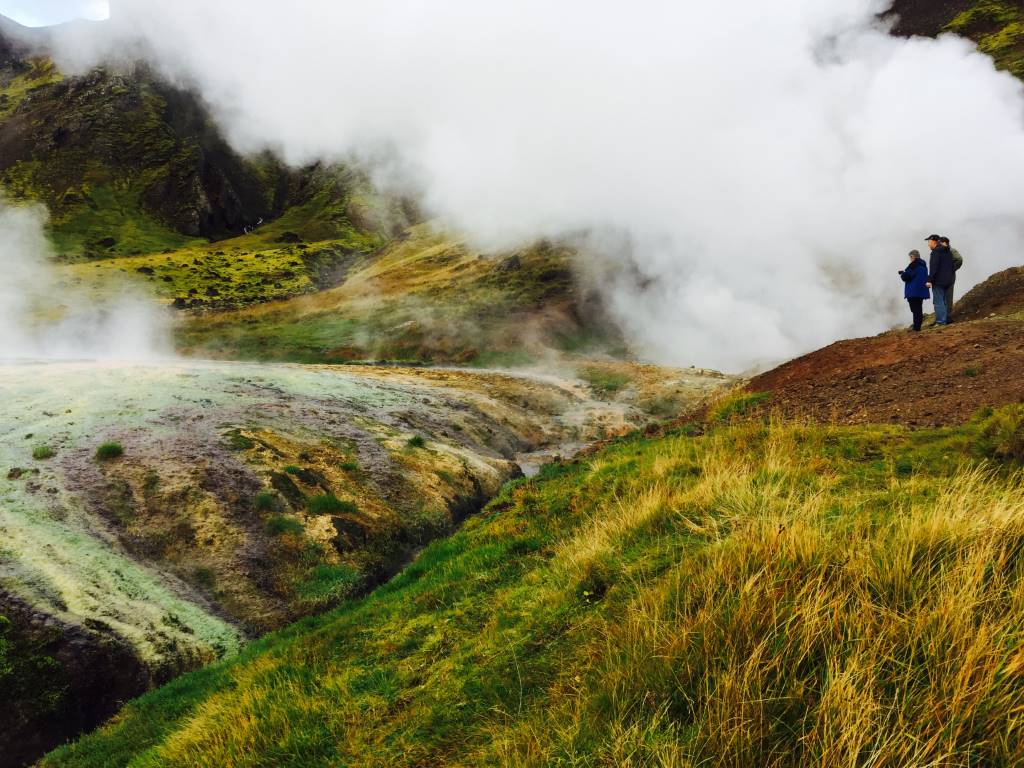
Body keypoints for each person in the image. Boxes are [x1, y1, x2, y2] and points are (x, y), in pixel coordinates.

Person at [925, 234, 955, 326]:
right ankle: (944, 320)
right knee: (944, 301)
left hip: (939, 281)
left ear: (934, 241)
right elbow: (952, 266)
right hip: (948, 280)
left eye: (929, 242)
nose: (928, 244)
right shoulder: (948, 251)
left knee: (938, 302)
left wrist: (929, 280)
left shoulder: (936, 252)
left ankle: (941, 322)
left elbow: (933, 267)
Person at [900, 249, 930, 331]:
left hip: (913, 291)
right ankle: (917, 327)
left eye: (910, 257)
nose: (909, 259)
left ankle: (916, 328)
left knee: (915, 309)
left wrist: (902, 273)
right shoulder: (923, 265)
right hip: (921, 291)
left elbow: (906, 277)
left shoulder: (913, 265)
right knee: (918, 308)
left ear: (912, 257)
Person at [939, 237, 963, 322]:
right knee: (942, 298)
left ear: (945, 243)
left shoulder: (951, 251)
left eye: (940, 243)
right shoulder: (943, 252)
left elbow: (959, 259)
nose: (938, 244)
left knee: (948, 297)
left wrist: (952, 268)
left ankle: (947, 318)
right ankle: (942, 318)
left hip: (949, 277)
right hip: (943, 277)